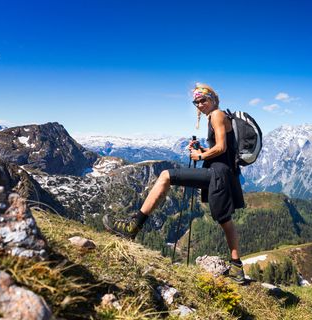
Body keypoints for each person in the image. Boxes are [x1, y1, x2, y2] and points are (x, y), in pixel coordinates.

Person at [102, 83, 246, 283]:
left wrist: (199, 155)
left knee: (166, 176)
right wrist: (202, 149)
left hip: (218, 174)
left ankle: (132, 227)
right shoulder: (216, 116)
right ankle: (237, 267)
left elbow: (221, 147)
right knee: (224, 220)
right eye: (196, 102)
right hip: (222, 173)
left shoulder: (217, 115)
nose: (200, 104)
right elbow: (223, 149)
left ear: (212, 99)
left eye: (203, 100)